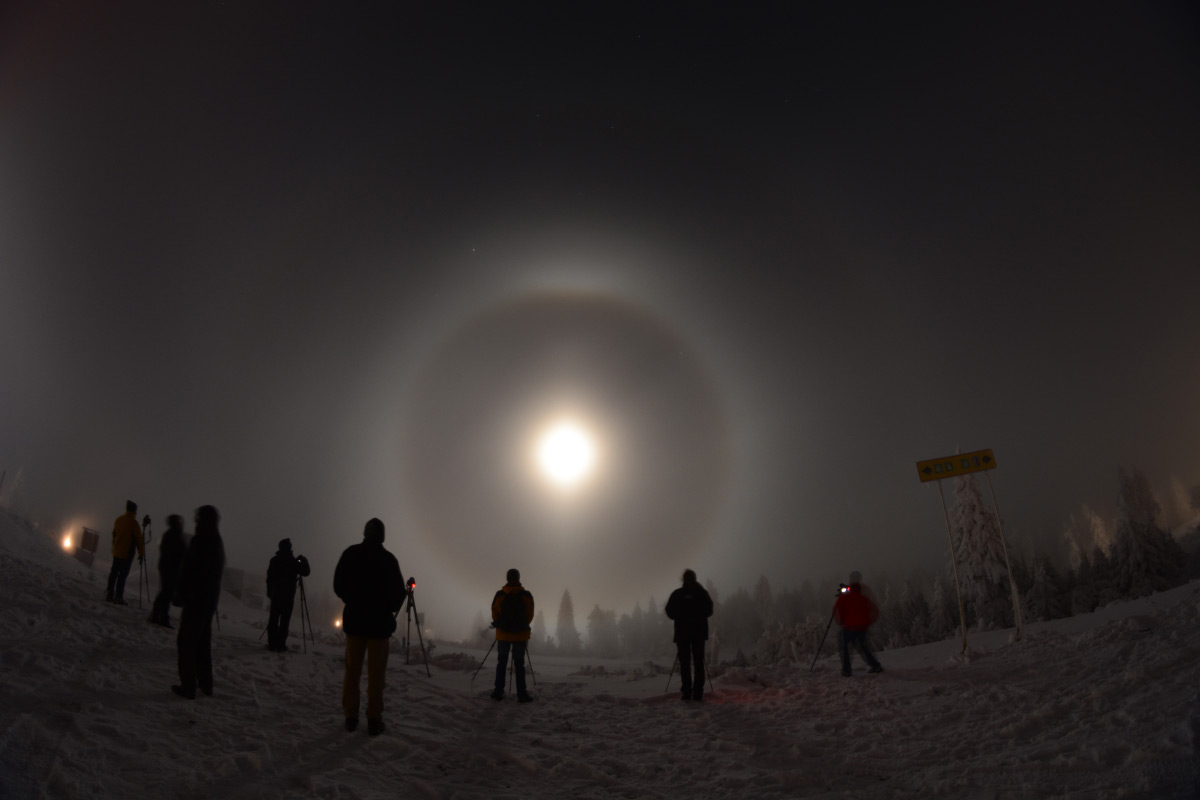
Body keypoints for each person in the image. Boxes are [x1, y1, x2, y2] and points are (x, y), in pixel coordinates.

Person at [334, 518, 404, 736]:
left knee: (352, 671)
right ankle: (374, 719)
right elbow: (398, 594)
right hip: (379, 627)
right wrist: (387, 608)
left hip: (355, 623)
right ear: (382, 535)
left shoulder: (351, 554)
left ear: (365, 533)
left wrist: (352, 600)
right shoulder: (388, 560)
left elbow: (338, 584)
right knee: (376, 675)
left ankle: (350, 717)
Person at [171, 505, 226, 700]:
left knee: (186, 642)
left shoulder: (201, 540)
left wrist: (183, 593)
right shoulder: (216, 541)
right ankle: (206, 684)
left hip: (196, 600)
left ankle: (188, 686)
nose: (195, 522)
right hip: (208, 601)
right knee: (202, 644)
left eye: (197, 519)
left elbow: (190, 570)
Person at [665, 568, 714, 701]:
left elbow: (669, 611)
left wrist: (680, 616)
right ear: (694, 578)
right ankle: (698, 693)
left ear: (683, 579)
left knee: (685, 664)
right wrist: (697, 615)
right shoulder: (702, 593)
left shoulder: (677, 594)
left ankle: (686, 692)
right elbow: (709, 611)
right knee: (698, 662)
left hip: (682, 634)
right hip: (699, 633)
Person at [490, 568, 535, 703]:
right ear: (518, 578)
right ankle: (522, 694)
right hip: (520, 636)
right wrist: (521, 626)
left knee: (502, 663)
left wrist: (503, 625)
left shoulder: (500, 595)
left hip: (503, 635)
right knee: (520, 665)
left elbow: (494, 613)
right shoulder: (526, 595)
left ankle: (498, 692)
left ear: (507, 579)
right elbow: (530, 615)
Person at [832, 570, 883, 677]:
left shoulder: (845, 594)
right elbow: (875, 609)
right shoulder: (864, 591)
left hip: (849, 627)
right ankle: (875, 665)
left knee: (845, 647)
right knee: (863, 647)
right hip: (862, 626)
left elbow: (837, 609)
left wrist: (840, 622)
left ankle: (846, 670)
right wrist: (868, 622)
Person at [266, 538, 311, 652]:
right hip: (288, 596)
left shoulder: (275, 560)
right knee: (284, 622)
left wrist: (269, 592)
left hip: (276, 595)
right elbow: (306, 572)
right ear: (290, 548)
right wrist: (304, 560)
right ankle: (280, 645)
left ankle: (272, 643)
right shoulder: (294, 562)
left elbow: (269, 578)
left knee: (273, 620)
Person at [105, 500, 146, 605]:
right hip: (127, 554)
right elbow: (139, 540)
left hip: (117, 552)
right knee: (122, 576)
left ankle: (109, 594)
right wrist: (141, 554)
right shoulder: (134, 524)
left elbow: (114, 534)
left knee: (113, 573)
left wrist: (114, 547)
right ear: (134, 510)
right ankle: (118, 597)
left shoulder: (119, 519)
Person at [148, 514, 186, 627]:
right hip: (170, 568)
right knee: (167, 593)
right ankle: (162, 617)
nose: (181, 524)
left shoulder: (171, 534)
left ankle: (157, 615)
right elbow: (178, 553)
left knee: (165, 592)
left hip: (168, 567)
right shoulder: (174, 535)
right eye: (179, 521)